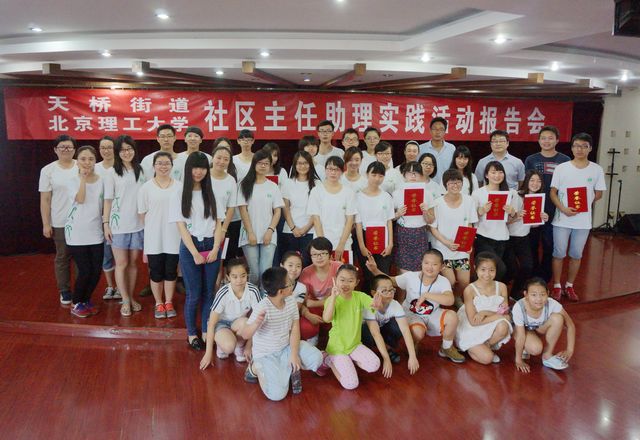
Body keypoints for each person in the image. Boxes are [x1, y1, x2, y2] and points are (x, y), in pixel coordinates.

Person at [366, 249, 466, 364]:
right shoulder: (410, 276)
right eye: (426, 263)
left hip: (432, 313)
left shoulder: (443, 281)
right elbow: (390, 281)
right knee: (418, 331)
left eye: (434, 264)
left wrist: (426, 295)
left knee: (452, 316)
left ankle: (446, 348)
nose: (430, 267)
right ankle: (414, 343)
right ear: (421, 263)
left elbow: (450, 300)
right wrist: (374, 270)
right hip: (411, 313)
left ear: (442, 266)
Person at [239, 267, 324, 401]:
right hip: (266, 355)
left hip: (286, 348)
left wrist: (294, 354)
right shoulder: (263, 307)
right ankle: (254, 368)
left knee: (317, 358)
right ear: (281, 291)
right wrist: (256, 323)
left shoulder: (291, 301)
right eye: (289, 284)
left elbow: (295, 328)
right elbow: (245, 335)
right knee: (277, 395)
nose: (292, 285)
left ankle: (285, 369)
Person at [169, 151, 224, 350]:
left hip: (211, 245)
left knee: (209, 292)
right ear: (188, 169)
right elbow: (182, 227)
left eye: (202, 168)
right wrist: (194, 253)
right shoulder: (179, 193)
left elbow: (219, 224)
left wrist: (216, 248)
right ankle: (192, 333)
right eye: (195, 167)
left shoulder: (212, 193)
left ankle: (206, 331)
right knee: (193, 294)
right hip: (190, 246)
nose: (198, 172)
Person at [549, 133, 606, 301]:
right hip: (561, 219)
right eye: (576, 146)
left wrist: (583, 204)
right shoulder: (562, 168)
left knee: (576, 254)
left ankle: (569, 285)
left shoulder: (596, 169)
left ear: (590, 148)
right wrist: (564, 208)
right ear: (572, 148)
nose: (580, 149)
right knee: (559, 253)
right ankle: (557, 286)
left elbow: (599, 194)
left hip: (583, 221)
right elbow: (553, 192)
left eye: (584, 146)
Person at [318, 264, 391, 390]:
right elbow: (326, 319)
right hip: (337, 348)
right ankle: (329, 359)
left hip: (355, 345)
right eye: (342, 280)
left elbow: (374, 305)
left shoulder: (360, 296)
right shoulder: (331, 300)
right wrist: (333, 297)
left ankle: (348, 360)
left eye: (350, 281)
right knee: (351, 384)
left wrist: (377, 305)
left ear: (356, 283)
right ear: (335, 279)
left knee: (374, 365)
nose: (345, 284)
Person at [103, 135, 146, 316]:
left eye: (129, 149)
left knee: (133, 263)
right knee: (121, 263)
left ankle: (131, 296)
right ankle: (125, 299)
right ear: (117, 153)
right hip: (118, 225)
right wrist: (106, 224)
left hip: (138, 225)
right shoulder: (111, 172)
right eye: (122, 150)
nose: (126, 153)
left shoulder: (141, 170)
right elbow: (107, 200)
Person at [137, 152, 181, 319]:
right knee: (155, 271)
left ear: (172, 166)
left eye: (167, 163)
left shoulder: (179, 186)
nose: (163, 166)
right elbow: (142, 214)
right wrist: (153, 227)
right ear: (154, 166)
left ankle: (168, 301)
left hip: (174, 237)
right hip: (153, 238)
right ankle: (158, 303)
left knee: (171, 271)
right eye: (160, 163)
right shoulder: (146, 188)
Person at [524, 126, 570, 282]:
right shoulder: (531, 159)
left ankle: (545, 276)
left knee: (549, 245)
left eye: (550, 138)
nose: (546, 141)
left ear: (557, 140)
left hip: (554, 208)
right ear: (538, 140)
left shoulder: (564, 160)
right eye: (543, 138)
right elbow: (527, 183)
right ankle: (533, 275)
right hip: (533, 208)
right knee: (532, 244)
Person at [64, 146, 104, 318]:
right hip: (77, 232)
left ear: (95, 161)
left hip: (96, 231)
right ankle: (76, 302)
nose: (87, 162)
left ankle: (85, 299)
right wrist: (83, 179)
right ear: (77, 161)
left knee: (96, 271)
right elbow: (80, 199)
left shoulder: (101, 180)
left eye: (91, 159)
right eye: (83, 159)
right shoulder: (72, 181)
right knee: (85, 270)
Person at [39, 134, 78, 305]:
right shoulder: (48, 170)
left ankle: (80, 289)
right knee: (63, 257)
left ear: (74, 150)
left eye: (69, 147)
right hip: (60, 220)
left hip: (82, 221)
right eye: (62, 147)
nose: (66, 150)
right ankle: (64, 290)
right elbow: (45, 199)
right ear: (55, 150)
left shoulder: (81, 165)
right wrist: (46, 224)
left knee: (81, 258)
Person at [429, 169, 478, 302]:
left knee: (464, 282)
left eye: (458, 182)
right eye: (451, 183)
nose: (455, 185)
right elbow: (433, 228)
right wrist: (447, 243)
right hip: (443, 249)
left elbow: (470, 224)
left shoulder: (469, 201)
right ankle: (445, 299)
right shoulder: (438, 203)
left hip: (461, 249)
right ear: (445, 185)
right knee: (449, 281)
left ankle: (455, 298)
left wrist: (468, 244)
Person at [237, 149, 284, 286]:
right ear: (254, 164)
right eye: (260, 163)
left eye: (266, 163)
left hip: (269, 234)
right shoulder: (244, 185)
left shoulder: (273, 187)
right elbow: (243, 210)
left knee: (265, 271)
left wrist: (270, 230)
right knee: (254, 272)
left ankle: (264, 298)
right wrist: (250, 232)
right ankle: (252, 296)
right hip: (249, 234)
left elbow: (277, 211)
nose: (263, 166)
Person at [455, 253, 512, 365]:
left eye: (491, 270)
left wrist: (485, 312)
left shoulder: (501, 287)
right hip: (472, 328)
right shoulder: (469, 290)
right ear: (475, 268)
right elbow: (473, 321)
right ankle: (470, 347)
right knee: (487, 359)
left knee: (503, 326)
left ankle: (487, 345)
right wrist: (498, 316)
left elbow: (504, 312)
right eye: (483, 269)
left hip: (490, 322)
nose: (487, 274)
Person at [200, 258, 261, 363]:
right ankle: (222, 345)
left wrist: (249, 346)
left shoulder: (253, 291)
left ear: (247, 276)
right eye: (234, 277)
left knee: (246, 322)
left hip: (238, 323)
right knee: (228, 347)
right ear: (228, 277)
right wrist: (208, 354)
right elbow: (211, 323)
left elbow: (258, 320)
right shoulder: (223, 293)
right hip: (221, 324)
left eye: (243, 276)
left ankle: (240, 346)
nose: (239, 280)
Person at [513, 277, 576, 372]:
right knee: (536, 349)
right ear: (526, 294)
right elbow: (521, 335)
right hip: (522, 331)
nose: (538, 299)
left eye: (542, 294)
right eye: (534, 295)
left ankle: (547, 355)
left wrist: (570, 350)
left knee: (558, 318)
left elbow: (570, 325)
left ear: (548, 293)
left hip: (538, 329)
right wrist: (518, 360)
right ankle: (525, 347)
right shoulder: (519, 307)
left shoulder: (552, 303)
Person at [362, 274, 419, 374]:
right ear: (374, 293)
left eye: (391, 290)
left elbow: (405, 330)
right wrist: (386, 359)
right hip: (367, 333)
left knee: (397, 326)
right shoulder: (369, 307)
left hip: (380, 330)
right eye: (384, 290)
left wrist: (412, 356)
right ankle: (378, 351)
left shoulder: (395, 304)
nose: (389, 293)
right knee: (367, 331)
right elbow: (375, 333)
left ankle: (386, 347)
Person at [505, 170, 549, 300]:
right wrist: (517, 216)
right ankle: (498, 289)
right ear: (526, 181)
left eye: (539, 181)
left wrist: (543, 219)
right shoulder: (515, 195)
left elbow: (533, 225)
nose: (535, 183)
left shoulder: (537, 199)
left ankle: (514, 293)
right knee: (511, 269)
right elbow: (505, 221)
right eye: (532, 180)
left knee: (528, 266)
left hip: (523, 237)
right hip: (508, 237)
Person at [472, 160, 518, 281]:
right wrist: (482, 210)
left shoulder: (509, 193)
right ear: (486, 175)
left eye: (500, 172)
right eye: (493, 172)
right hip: (483, 237)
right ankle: (477, 289)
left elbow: (511, 219)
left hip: (503, 237)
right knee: (498, 268)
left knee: (511, 270)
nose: (497, 175)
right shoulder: (478, 193)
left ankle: (498, 290)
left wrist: (512, 212)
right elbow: (470, 217)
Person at [355, 161, 395, 292]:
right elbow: (358, 223)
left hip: (383, 239)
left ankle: (383, 302)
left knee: (382, 275)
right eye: (374, 175)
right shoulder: (358, 197)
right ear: (367, 174)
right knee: (368, 275)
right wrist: (362, 246)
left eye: (380, 176)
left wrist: (390, 244)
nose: (377, 178)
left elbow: (389, 221)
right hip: (365, 238)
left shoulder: (386, 196)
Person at [307, 156, 357, 261]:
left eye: (336, 169)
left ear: (342, 172)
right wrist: (323, 246)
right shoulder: (316, 191)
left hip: (343, 242)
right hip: (321, 242)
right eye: (330, 169)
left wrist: (341, 244)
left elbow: (350, 221)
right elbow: (316, 219)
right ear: (325, 170)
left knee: (343, 270)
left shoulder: (349, 192)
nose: (333, 172)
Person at [298, 237, 342, 344]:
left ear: (330, 254)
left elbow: (344, 294)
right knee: (306, 327)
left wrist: (315, 303)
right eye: (314, 254)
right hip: (315, 310)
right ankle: (313, 341)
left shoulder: (339, 268)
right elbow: (304, 302)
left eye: (323, 253)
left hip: (336, 306)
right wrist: (308, 314)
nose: (319, 257)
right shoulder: (306, 272)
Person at [392, 162, 433, 273]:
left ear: (421, 175)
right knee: (403, 269)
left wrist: (425, 212)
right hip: (403, 233)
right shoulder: (396, 193)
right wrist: (397, 214)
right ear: (404, 175)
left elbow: (430, 220)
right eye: (409, 173)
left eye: (416, 173)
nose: (413, 176)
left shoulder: (427, 193)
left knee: (420, 268)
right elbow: (389, 218)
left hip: (420, 233)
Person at [95, 136, 120, 301]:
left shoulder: (122, 167)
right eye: (102, 147)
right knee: (106, 255)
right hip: (98, 217)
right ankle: (111, 286)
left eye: (109, 147)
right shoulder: (95, 168)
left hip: (119, 218)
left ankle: (121, 288)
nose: (106, 150)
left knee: (120, 256)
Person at [281, 151, 319, 262]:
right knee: (291, 264)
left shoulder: (317, 184)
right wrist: (293, 228)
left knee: (307, 264)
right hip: (290, 231)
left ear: (310, 164)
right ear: (294, 165)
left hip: (310, 231)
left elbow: (317, 211)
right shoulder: (288, 183)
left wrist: (305, 228)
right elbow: (286, 208)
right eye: (299, 163)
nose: (302, 166)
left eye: (305, 163)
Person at [209, 145, 238, 266]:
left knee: (219, 262)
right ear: (212, 158)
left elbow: (231, 207)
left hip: (221, 225)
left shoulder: (231, 180)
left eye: (226, 159)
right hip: (202, 224)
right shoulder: (203, 175)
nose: (221, 162)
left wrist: (223, 229)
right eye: (219, 158)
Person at [418, 117, 456, 183]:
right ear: (430, 131)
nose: (438, 132)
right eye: (435, 129)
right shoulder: (421, 148)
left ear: (445, 131)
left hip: (446, 186)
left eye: (441, 129)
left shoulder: (451, 148)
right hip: (427, 186)